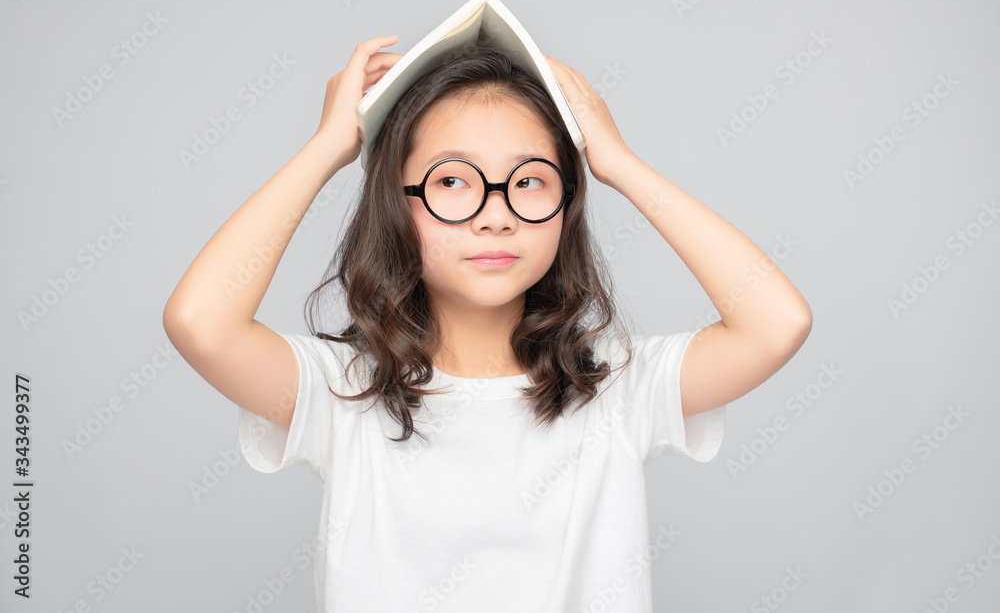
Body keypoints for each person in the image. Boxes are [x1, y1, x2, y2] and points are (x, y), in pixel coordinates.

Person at [163, 34, 812, 612]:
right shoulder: (345, 391)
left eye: (529, 181)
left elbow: (776, 322)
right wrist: (329, 147)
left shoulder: (615, 387)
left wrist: (617, 163)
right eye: (453, 181)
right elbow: (201, 322)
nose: (495, 214)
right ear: (398, 201)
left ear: (565, 203)